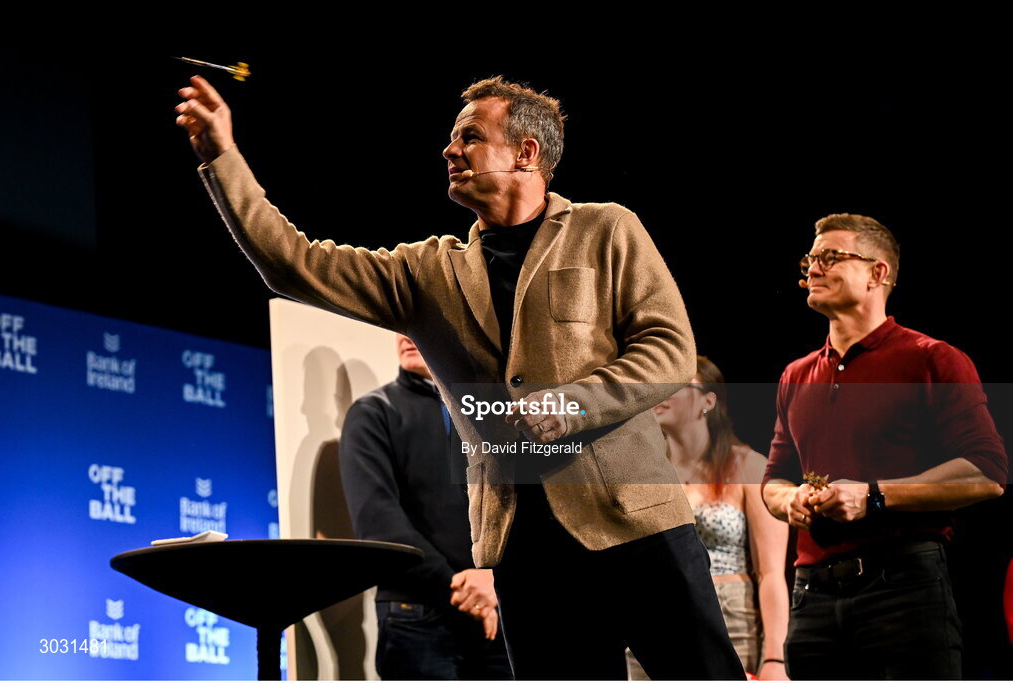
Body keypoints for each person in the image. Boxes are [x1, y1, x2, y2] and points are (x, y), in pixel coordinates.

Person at [176, 74, 743, 680]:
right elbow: (295, 264)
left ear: (526, 153)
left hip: (636, 527)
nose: (450, 151)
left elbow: (669, 349)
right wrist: (221, 157)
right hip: (524, 550)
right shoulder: (428, 272)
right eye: (453, 140)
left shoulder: (607, 230)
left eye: (470, 138)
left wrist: (576, 404)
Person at [761, 213, 1007, 679]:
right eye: (810, 259)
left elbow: (988, 472)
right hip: (811, 595)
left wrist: (873, 494)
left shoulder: (931, 358)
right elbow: (774, 479)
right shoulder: (795, 375)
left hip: (903, 592)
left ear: (879, 273)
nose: (813, 269)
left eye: (831, 257)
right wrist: (790, 498)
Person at [338, 334, 512, 680]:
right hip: (416, 617)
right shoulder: (374, 412)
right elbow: (377, 523)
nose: (407, 334)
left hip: (500, 612)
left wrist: (494, 581)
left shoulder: (494, 411)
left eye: (420, 322)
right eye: (400, 324)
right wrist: (462, 588)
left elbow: (521, 507)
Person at [627, 356, 789, 680]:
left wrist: (775, 659)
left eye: (674, 386)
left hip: (730, 621)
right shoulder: (643, 474)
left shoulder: (747, 467)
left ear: (708, 400)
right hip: (655, 620)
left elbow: (771, 573)